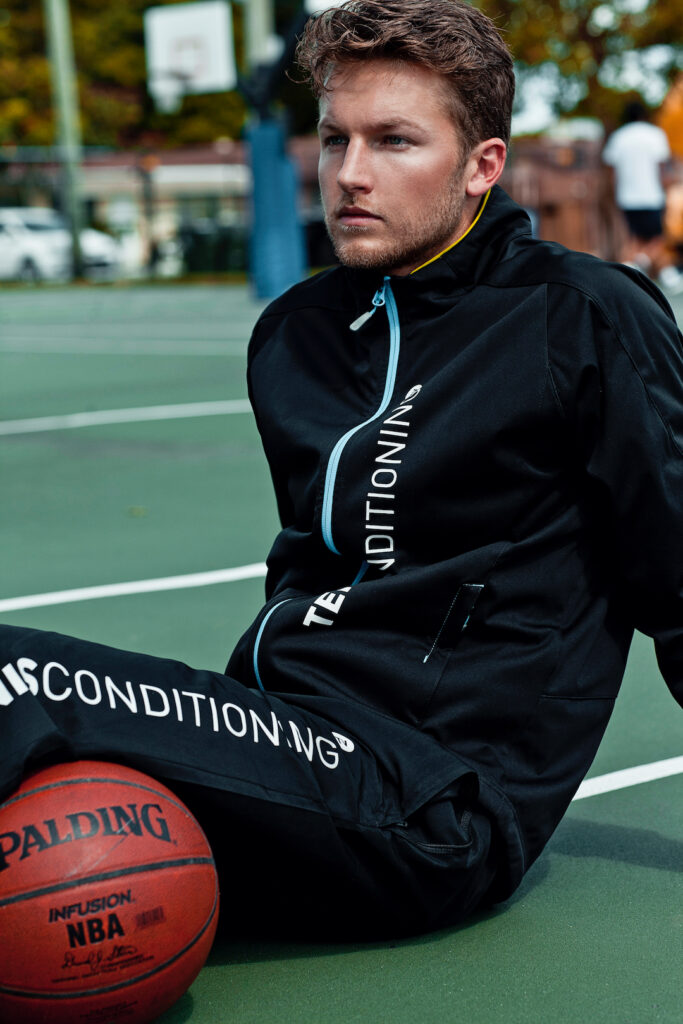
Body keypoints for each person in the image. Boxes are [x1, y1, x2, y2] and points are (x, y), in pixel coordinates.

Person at [1, 0, 682, 941]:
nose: (350, 174)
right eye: (334, 139)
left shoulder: (579, 316)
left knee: (18, 679)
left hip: (435, 798)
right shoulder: (296, 334)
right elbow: (310, 573)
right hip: (286, 738)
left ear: (481, 165)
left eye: (394, 141)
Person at [602, 100, 681, 288]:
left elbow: (611, 171)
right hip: (652, 195)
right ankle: (641, 264)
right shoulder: (655, 135)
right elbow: (662, 168)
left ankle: (636, 265)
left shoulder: (618, 137)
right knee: (658, 237)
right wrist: (667, 187)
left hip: (627, 196)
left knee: (634, 238)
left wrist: (614, 194)